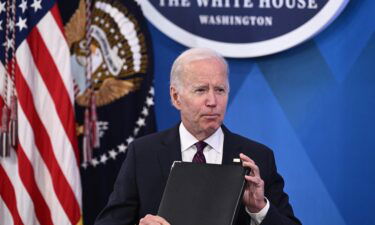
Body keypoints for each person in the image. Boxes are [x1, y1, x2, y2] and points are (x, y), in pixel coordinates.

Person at [95, 48, 301, 225]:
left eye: (220, 90)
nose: (212, 101)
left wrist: (259, 209)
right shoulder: (143, 154)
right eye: (201, 90)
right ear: (176, 97)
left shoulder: (257, 157)